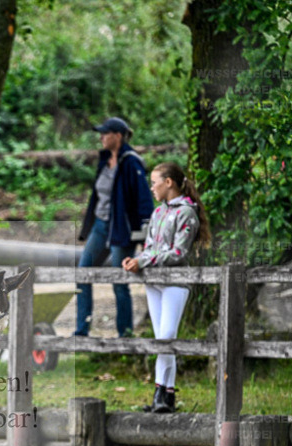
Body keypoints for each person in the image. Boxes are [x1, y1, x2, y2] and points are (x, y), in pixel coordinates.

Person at [122, 162, 210, 413]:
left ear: (168, 182)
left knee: (167, 336)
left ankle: (164, 392)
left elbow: (178, 252)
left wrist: (145, 260)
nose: (152, 187)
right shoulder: (158, 213)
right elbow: (150, 247)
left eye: (155, 182)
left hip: (175, 282)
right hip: (154, 282)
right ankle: (162, 395)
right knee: (160, 337)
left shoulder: (186, 214)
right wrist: (135, 261)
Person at [74, 117, 154, 337]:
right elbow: (96, 198)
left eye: (105, 133)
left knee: (119, 280)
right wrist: (87, 227)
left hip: (122, 230)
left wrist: (146, 232)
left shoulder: (131, 162)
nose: (101, 137)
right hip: (100, 227)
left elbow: (144, 199)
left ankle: (124, 334)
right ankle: (81, 330)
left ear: (118, 136)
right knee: (83, 273)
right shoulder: (104, 160)